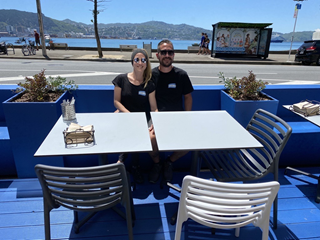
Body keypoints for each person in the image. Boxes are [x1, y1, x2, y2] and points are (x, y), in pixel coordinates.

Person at [149, 39, 194, 183]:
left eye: (170, 52)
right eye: (163, 52)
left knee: (190, 142)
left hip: (177, 117)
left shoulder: (181, 75)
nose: (167, 55)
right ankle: (157, 164)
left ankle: (169, 162)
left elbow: (187, 97)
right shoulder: (151, 75)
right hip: (157, 115)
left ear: (173, 55)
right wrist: (155, 120)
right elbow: (149, 99)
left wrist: (186, 117)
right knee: (151, 139)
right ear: (157, 55)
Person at [112, 48, 159, 184]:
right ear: (132, 62)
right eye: (136, 59)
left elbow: (153, 107)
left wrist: (156, 121)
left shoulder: (149, 84)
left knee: (144, 133)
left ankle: (126, 163)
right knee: (129, 130)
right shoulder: (121, 79)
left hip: (144, 118)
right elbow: (116, 101)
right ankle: (126, 164)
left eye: (143, 60)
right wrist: (129, 116)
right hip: (126, 116)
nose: (140, 63)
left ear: (146, 63)